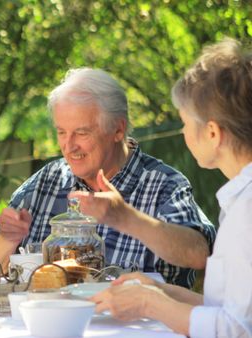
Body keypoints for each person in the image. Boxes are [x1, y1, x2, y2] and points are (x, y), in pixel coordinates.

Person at [0, 68, 216, 288]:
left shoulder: (164, 184)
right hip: (51, 323)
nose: (69, 147)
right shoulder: (46, 181)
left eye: (81, 133)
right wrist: (10, 238)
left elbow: (199, 253)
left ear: (118, 129)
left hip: (136, 325)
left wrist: (127, 218)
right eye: (61, 132)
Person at [92, 38, 252, 337]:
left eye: (185, 123)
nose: (182, 132)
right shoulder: (240, 199)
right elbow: (229, 310)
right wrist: (163, 292)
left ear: (213, 132)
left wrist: (149, 302)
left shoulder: (247, 210)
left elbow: (237, 330)